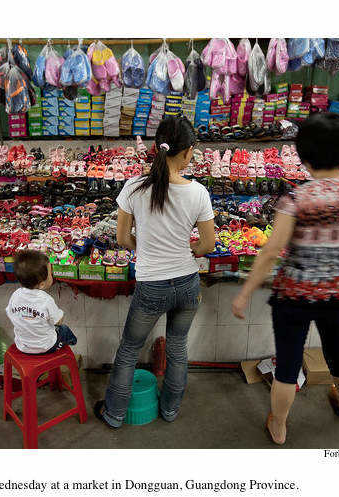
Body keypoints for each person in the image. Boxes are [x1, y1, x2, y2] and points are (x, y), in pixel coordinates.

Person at [232, 113, 339, 445]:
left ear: (304, 155)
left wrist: (245, 292)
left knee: (287, 363)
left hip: (295, 296)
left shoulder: (296, 200)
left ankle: (280, 426)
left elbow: (271, 251)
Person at [95, 116, 216, 428]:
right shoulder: (198, 192)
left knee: (129, 351)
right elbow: (208, 244)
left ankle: (114, 414)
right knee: (177, 348)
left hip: (152, 286)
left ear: (155, 148)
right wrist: (190, 251)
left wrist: (147, 248)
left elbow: (122, 239)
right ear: (189, 152)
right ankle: (170, 410)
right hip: (187, 283)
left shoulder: (133, 188)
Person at [6, 250, 77, 354]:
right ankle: (72, 341)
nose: (51, 275)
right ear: (42, 284)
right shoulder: (45, 300)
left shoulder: (15, 295)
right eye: (50, 274)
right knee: (63, 329)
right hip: (47, 347)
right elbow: (58, 321)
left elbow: (10, 314)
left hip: (23, 346)